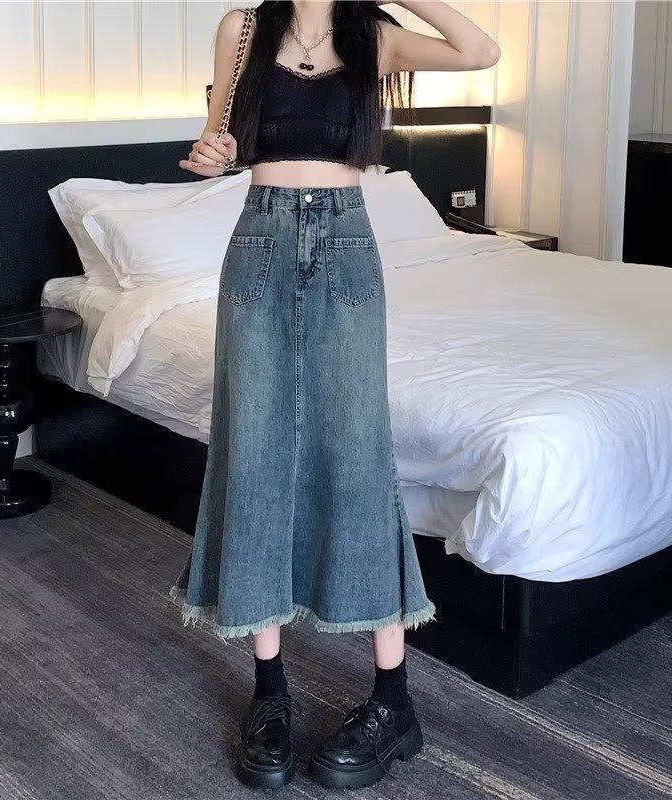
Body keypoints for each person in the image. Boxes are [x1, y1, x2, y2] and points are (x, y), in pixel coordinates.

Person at [175, 0, 499, 790]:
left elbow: (479, 50)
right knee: (255, 457)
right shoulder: (241, 29)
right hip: (258, 242)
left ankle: (394, 701)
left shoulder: (374, 37)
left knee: (358, 459)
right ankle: (269, 693)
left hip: (349, 246)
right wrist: (213, 153)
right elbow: (219, 140)